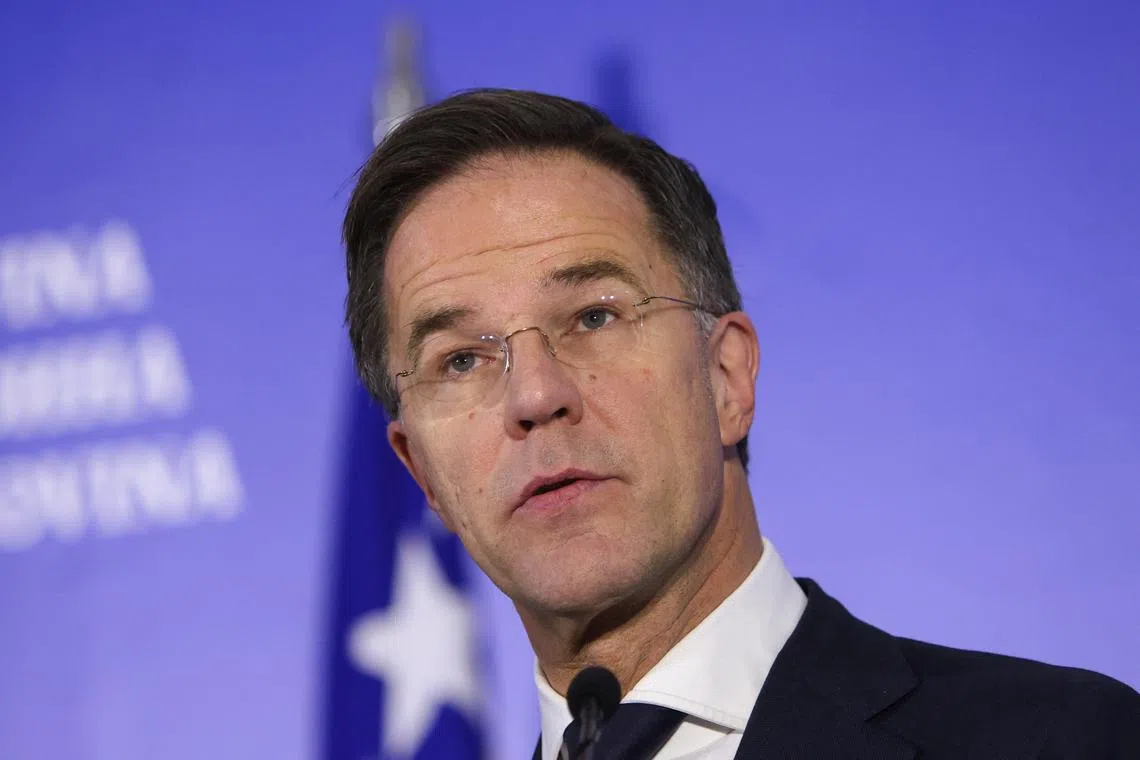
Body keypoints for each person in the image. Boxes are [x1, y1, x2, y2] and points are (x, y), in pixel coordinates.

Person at [341, 88, 1139, 759]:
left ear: (726, 376)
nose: (534, 395)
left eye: (593, 315)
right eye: (461, 361)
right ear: (424, 476)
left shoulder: (1065, 740)